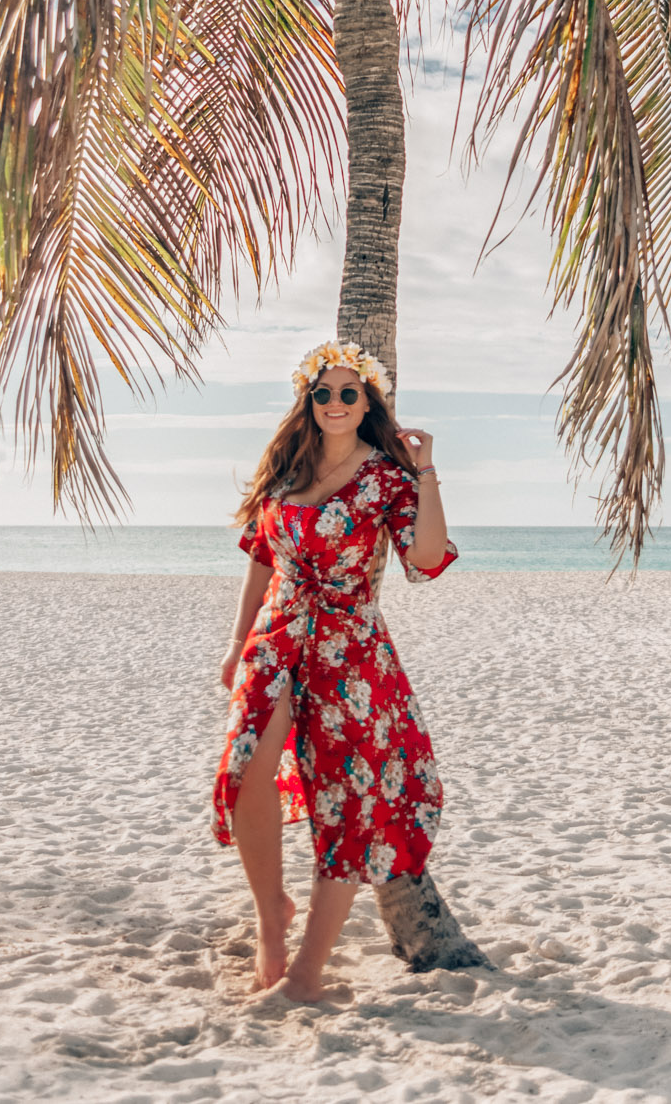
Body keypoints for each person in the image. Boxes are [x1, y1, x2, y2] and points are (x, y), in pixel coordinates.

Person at [212, 338, 457, 1002]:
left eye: (350, 393)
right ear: (309, 401)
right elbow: (261, 555)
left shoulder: (386, 475)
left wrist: (425, 471)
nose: (336, 403)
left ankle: (307, 972)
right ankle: (272, 920)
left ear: (367, 401)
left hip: (349, 646)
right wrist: (237, 643)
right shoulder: (287, 469)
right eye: (324, 393)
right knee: (246, 772)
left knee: (349, 802)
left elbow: (427, 559)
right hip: (277, 633)